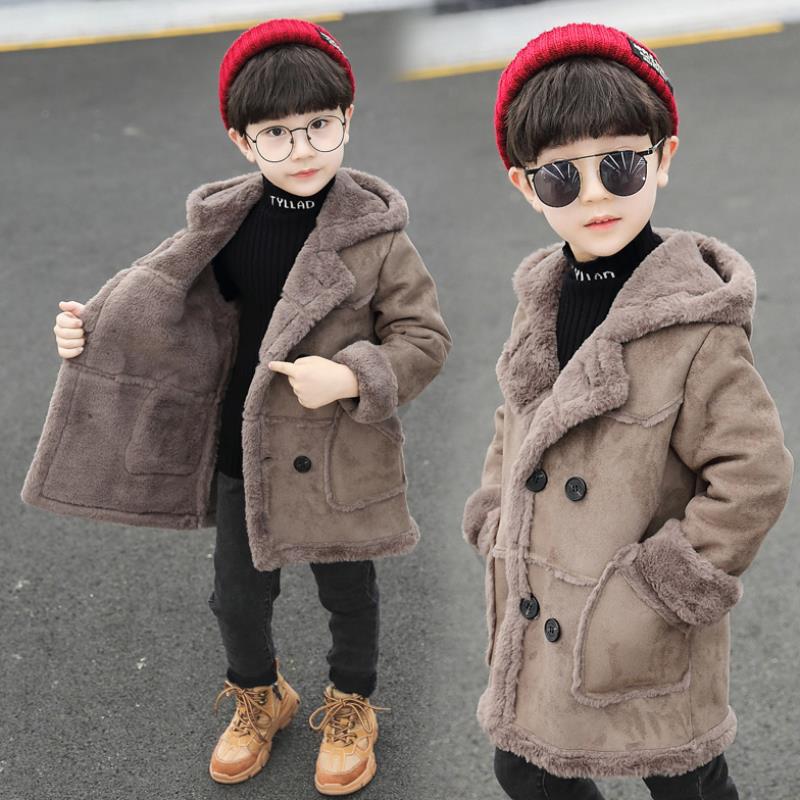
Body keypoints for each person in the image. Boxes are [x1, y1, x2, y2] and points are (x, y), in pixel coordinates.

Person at [24, 18, 451, 795]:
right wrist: (85, 328)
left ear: (348, 119)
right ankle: (260, 696)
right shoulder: (222, 224)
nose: (302, 148)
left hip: (339, 452)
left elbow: (423, 339)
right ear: (242, 141)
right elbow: (155, 298)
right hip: (243, 446)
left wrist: (351, 377)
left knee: (349, 594)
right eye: (277, 134)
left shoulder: (378, 237)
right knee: (237, 596)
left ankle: (351, 704)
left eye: (319, 125)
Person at [461, 22, 793, 800]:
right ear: (524, 186)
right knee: (524, 767)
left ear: (664, 157)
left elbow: (754, 473)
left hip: (640, 626)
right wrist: (493, 517)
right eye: (560, 177)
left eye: (619, 164)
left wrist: (661, 589)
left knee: (683, 778)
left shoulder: (694, 326)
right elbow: (516, 422)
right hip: (546, 610)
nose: (595, 194)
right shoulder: (540, 302)